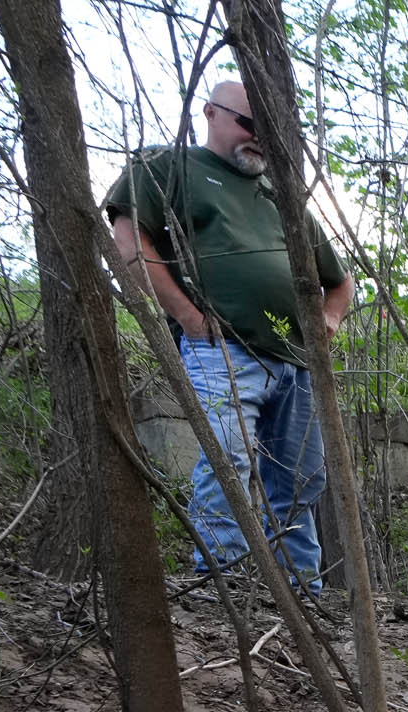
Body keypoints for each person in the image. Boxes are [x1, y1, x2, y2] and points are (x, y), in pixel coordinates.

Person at [104, 79, 354, 593]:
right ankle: (225, 585)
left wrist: (327, 323)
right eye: (247, 123)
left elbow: (341, 282)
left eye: (268, 129)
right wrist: (189, 318)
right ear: (210, 113)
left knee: (302, 479)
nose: (258, 137)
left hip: (296, 359)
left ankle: (301, 590)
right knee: (227, 457)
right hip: (222, 347)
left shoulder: (280, 196)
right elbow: (128, 238)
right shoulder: (168, 166)